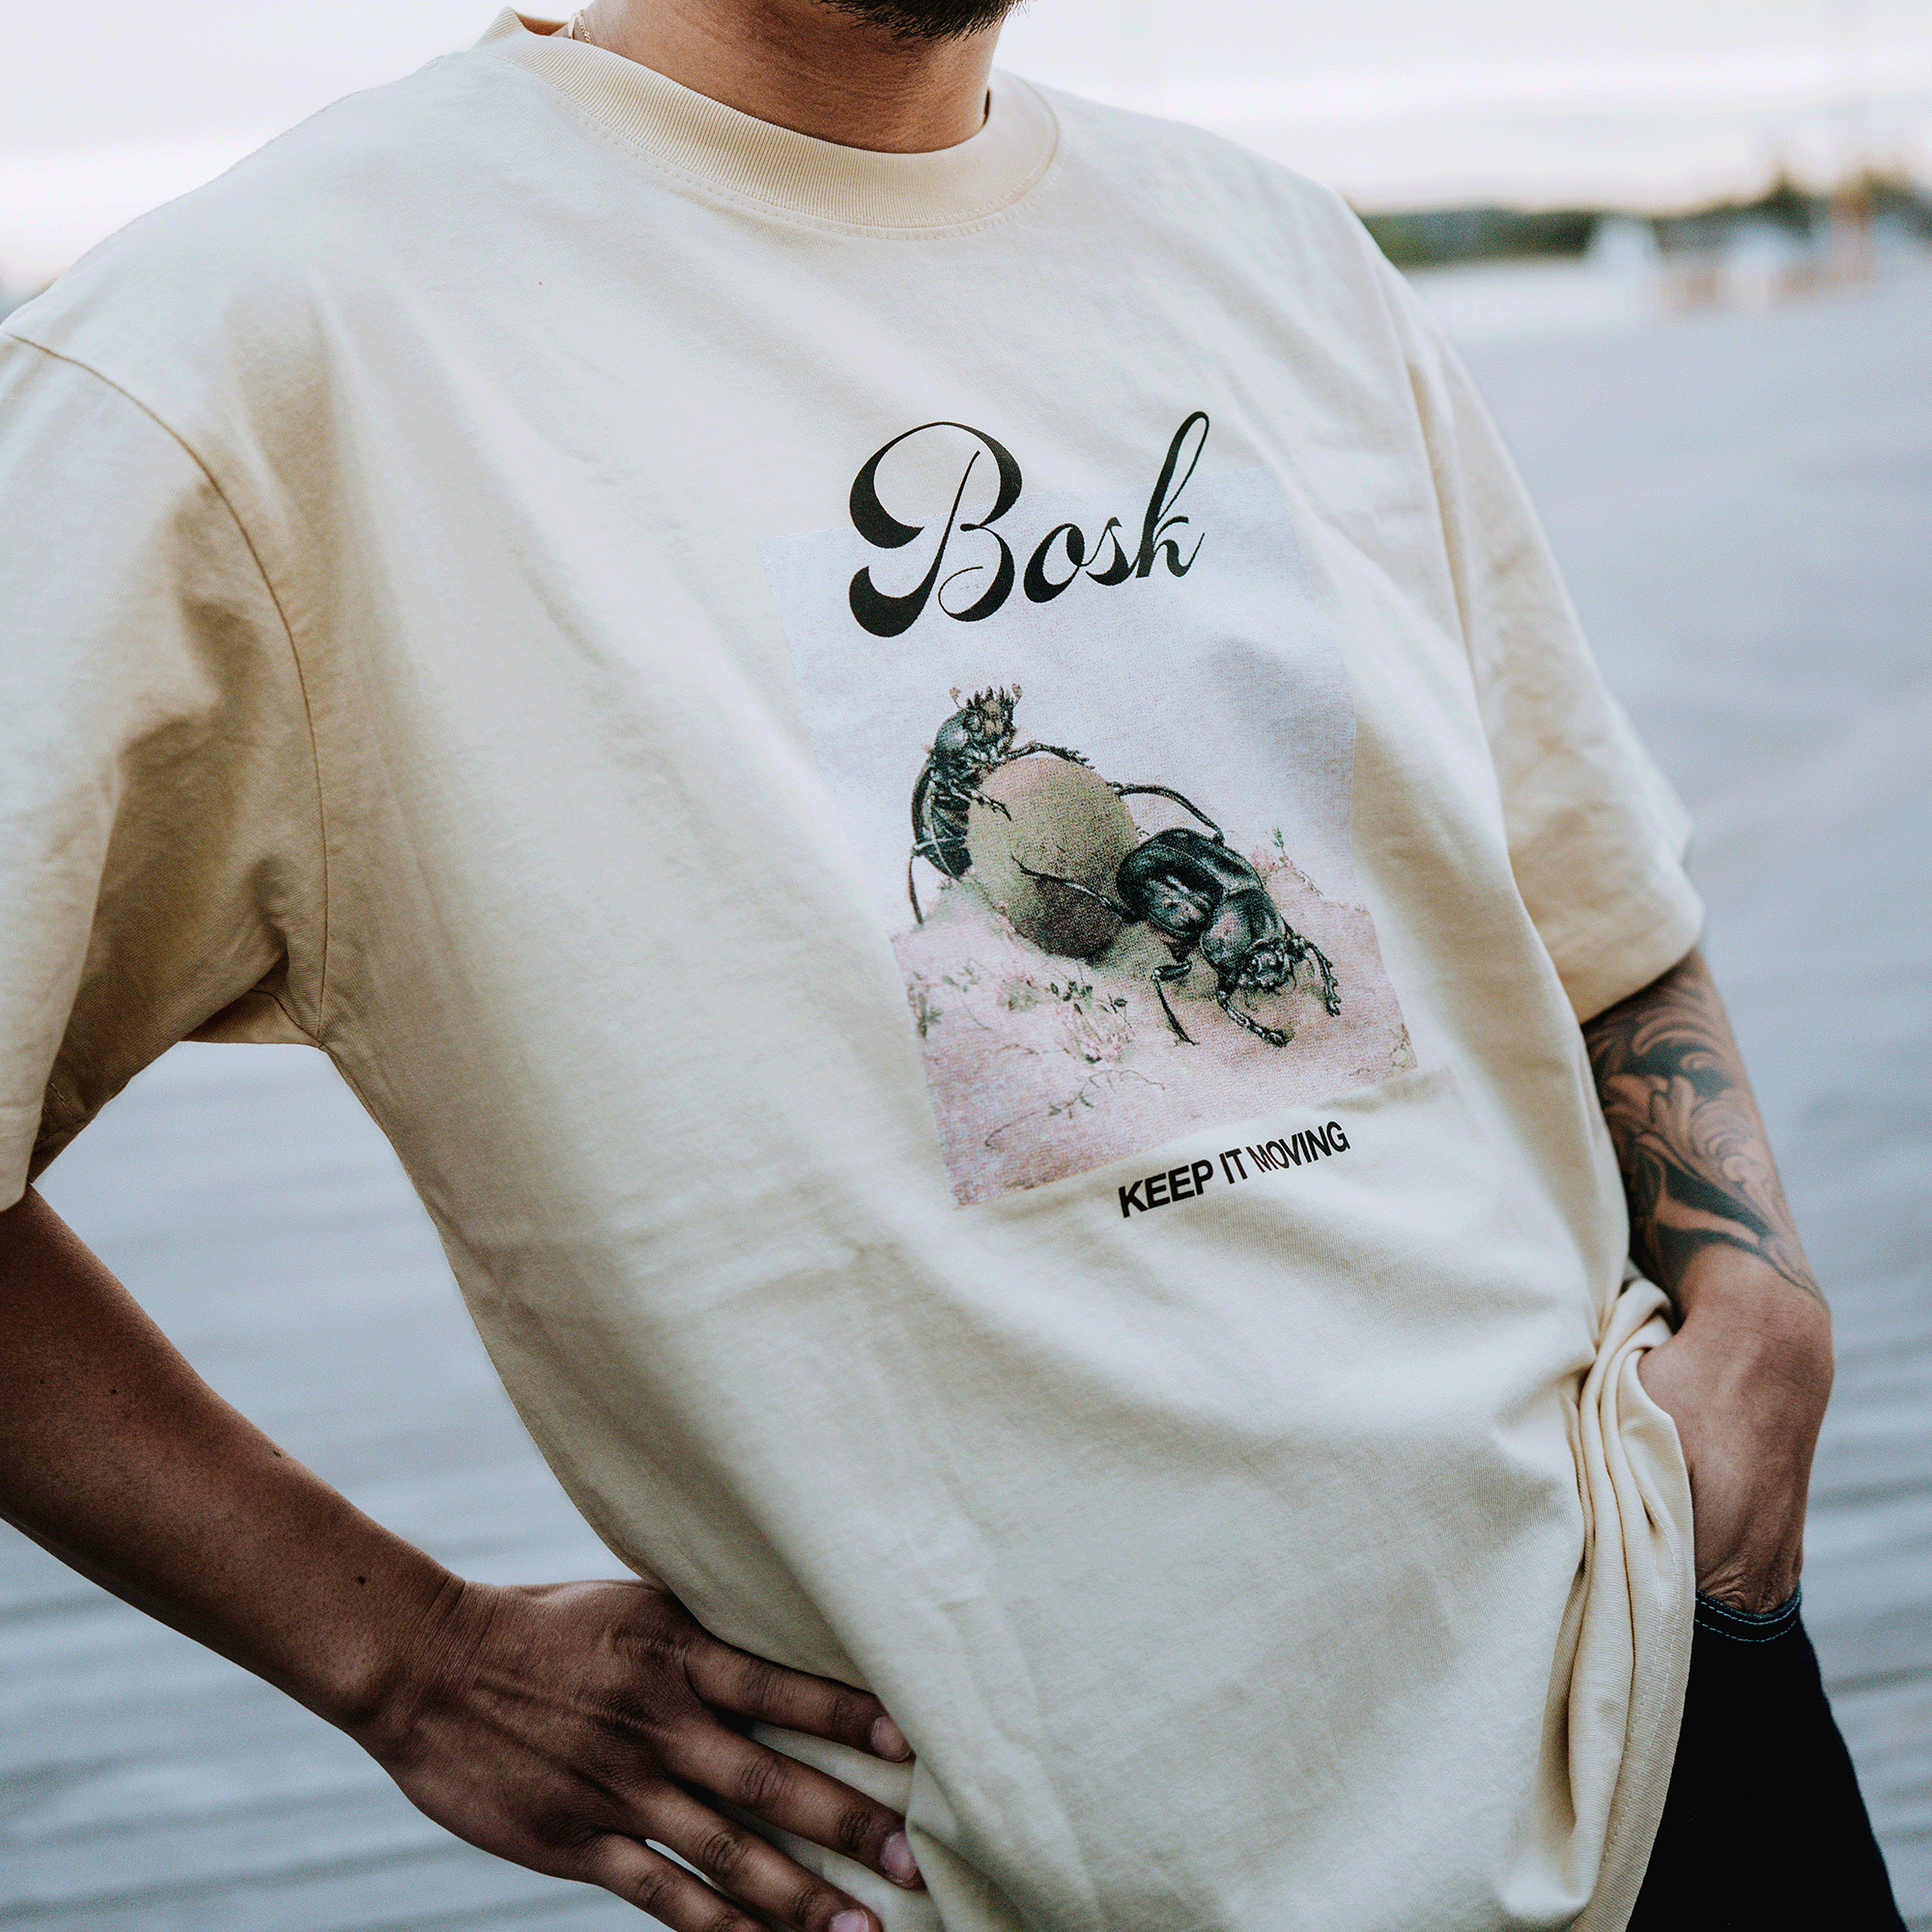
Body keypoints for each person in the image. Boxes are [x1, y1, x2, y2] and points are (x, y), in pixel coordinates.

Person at [0, 1, 1903, 1927]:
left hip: (1662, 1705)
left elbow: (1583, 894)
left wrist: (1758, 1298)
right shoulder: (257, 350)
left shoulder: (1271, 251)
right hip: (1024, 1873)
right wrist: (394, 1649)